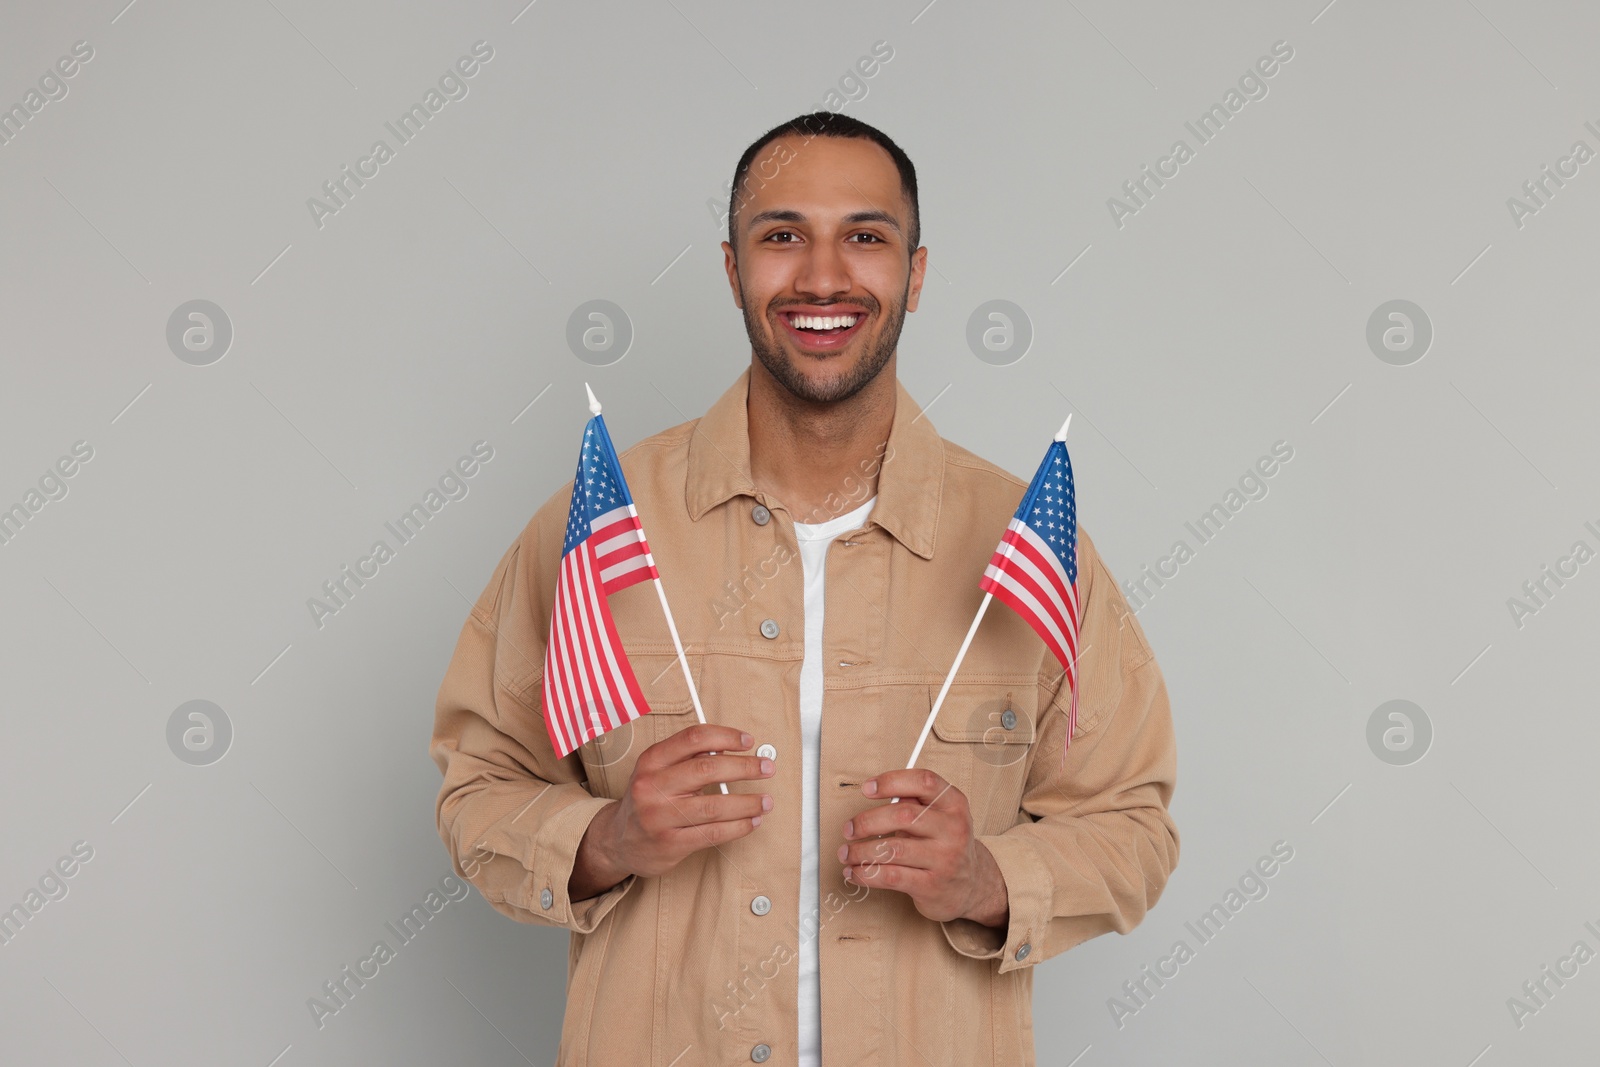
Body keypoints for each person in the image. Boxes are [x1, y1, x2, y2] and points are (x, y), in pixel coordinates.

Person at [430, 110, 1179, 1066]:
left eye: (865, 237)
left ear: (914, 274)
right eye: (782, 235)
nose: (823, 276)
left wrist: (986, 877)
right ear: (734, 269)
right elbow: (477, 786)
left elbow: (1133, 828)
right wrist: (607, 838)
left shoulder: (1028, 543)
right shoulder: (598, 526)